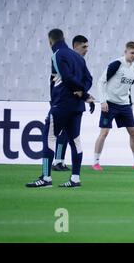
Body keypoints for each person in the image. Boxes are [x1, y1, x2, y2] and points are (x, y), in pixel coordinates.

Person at [26, 29, 93, 188]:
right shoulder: (78, 57)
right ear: (64, 38)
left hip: (61, 104)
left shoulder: (57, 55)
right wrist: (83, 93)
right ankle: (75, 179)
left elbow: (67, 77)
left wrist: (82, 94)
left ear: (50, 41)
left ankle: (46, 178)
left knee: (48, 139)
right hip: (77, 107)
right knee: (75, 141)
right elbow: (88, 79)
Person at [93, 41, 134, 171]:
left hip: (124, 104)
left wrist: (131, 101)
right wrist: (102, 101)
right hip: (110, 104)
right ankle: (95, 162)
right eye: (132, 53)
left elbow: (129, 87)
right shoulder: (116, 64)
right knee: (104, 133)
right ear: (125, 52)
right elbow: (101, 82)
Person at [52, 35, 94, 171]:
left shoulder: (80, 61)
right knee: (60, 133)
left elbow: (89, 79)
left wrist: (82, 91)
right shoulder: (63, 57)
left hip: (75, 103)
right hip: (62, 101)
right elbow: (61, 80)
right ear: (75, 46)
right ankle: (58, 161)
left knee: (70, 135)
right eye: (84, 46)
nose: (87, 50)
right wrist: (81, 91)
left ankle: (60, 162)